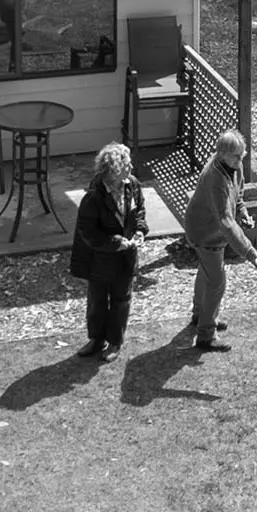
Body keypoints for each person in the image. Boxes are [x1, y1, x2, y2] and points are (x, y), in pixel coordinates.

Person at [182, 128, 257, 353]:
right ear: (221, 154)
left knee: (207, 272)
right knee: (217, 281)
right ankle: (206, 335)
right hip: (204, 232)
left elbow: (237, 196)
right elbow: (226, 222)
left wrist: (244, 212)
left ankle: (200, 315)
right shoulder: (215, 178)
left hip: (211, 231)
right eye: (236, 156)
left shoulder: (233, 166)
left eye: (243, 154)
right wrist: (251, 253)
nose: (241, 160)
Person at [70, 143, 148, 360]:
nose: (131, 167)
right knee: (97, 300)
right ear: (114, 170)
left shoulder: (132, 185)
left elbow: (140, 210)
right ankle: (96, 339)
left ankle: (115, 342)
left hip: (125, 258)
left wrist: (140, 231)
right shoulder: (94, 197)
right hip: (100, 260)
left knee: (121, 299)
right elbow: (87, 231)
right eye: (126, 164)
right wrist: (115, 242)